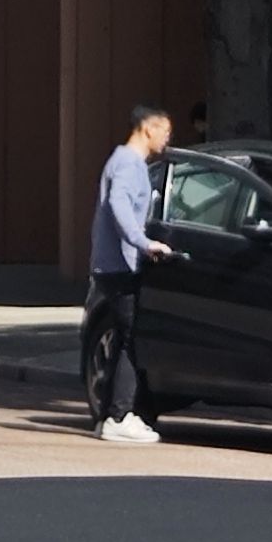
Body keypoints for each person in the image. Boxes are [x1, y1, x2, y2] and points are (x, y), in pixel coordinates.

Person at [86, 102, 174, 444]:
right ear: (148, 128)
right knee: (130, 339)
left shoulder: (125, 161)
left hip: (113, 264)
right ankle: (120, 416)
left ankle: (109, 414)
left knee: (124, 337)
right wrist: (144, 242)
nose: (167, 139)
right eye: (165, 131)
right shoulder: (128, 163)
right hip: (120, 265)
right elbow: (118, 204)